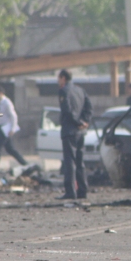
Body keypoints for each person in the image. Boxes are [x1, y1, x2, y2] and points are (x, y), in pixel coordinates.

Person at [56, 69, 92, 200]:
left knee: (69, 162)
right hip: (80, 132)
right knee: (80, 161)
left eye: (58, 78)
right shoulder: (80, 90)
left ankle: (71, 192)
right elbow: (89, 106)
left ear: (63, 78)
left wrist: (78, 122)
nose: (58, 81)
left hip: (70, 130)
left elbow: (67, 110)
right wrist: (85, 121)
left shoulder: (64, 91)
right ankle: (82, 190)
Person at [0, 86, 29, 180]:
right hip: (2, 128)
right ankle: (25, 164)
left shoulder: (7, 102)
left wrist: (13, 129)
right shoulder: (0, 103)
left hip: (6, 129)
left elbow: (13, 116)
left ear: (1, 93)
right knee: (10, 149)